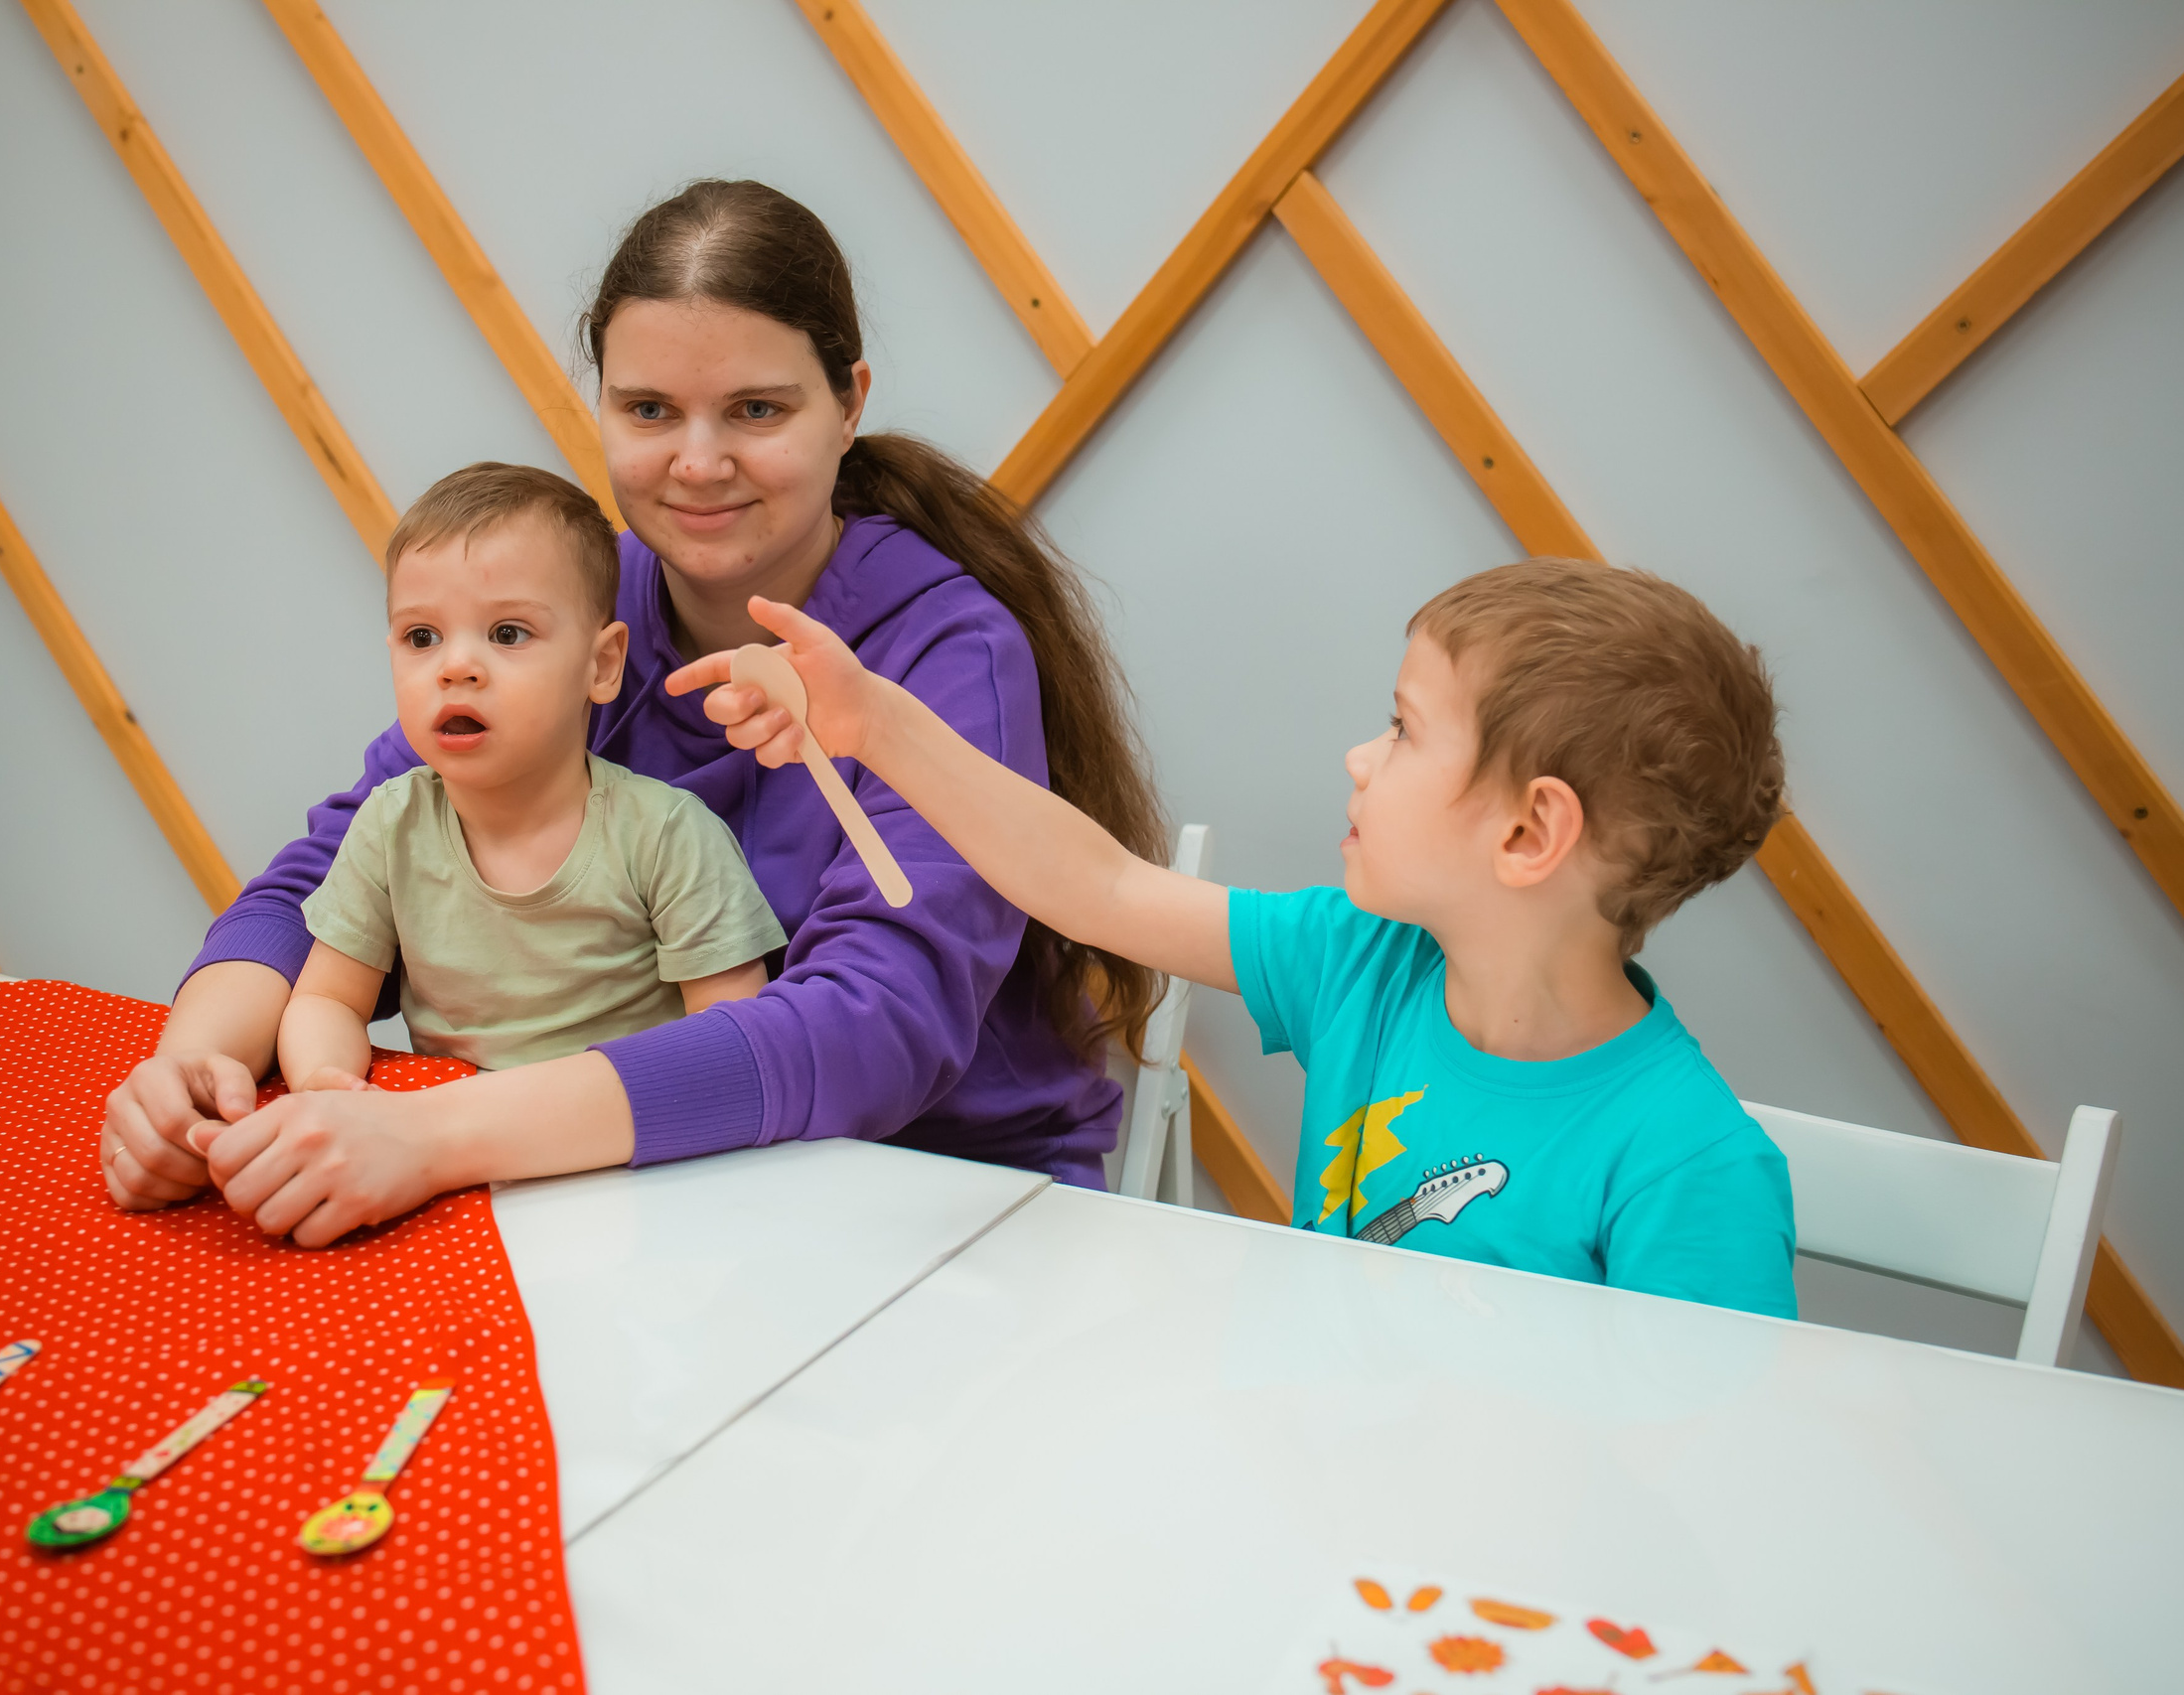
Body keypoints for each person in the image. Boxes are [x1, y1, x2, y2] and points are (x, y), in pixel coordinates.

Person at [98, 180, 1165, 1246]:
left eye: (758, 409)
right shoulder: (567, 614)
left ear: (848, 403)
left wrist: (435, 1136)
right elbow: (332, 870)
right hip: (624, 1189)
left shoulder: (946, 651)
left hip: (945, 1200)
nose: (697, 464)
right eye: (648, 411)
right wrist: (192, 1067)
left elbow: (872, 1028)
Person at [678, 560, 1799, 1316]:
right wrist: (874, 720)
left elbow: (1688, 1490)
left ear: (1529, 830)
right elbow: (1099, 884)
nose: (1361, 758)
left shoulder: (1693, 1173)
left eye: (1405, 732)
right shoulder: (1358, 959)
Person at [276, 463, 784, 1092]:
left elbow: (731, 1042)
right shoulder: (389, 826)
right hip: (444, 1152)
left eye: (507, 633)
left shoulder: (667, 836)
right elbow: (327, 1001)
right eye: (422, 636)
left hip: (626, 1150)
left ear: (601, 665)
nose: (455, 666)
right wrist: (327, 1084)